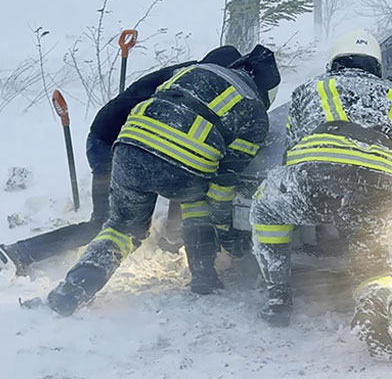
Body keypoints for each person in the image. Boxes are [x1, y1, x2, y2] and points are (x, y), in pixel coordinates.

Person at [46, 44, 281, 316]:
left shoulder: (192, 71)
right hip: (183, 166)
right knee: (197, 201)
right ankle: (204, 277)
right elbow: (222, 185)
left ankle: (75, 289)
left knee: (121, 228)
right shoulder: (254, 112)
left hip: (128, 150)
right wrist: (227, 234)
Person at [249, 30, 392, 361]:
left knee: (266, 208)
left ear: (334, 62)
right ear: (376, 66)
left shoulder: (311, 89)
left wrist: (310, 196)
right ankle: (374, 307)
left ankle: (279, 296)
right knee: (381, 265)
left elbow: (293, 150)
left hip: (317, 176)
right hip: (383, 185)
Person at [0, 46, 242, 275]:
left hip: (132, 144)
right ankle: (19, 253)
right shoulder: (193, 85)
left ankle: (171, 237)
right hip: (110, 144)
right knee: (104, 222)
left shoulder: (191, 78)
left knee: (183, 170)